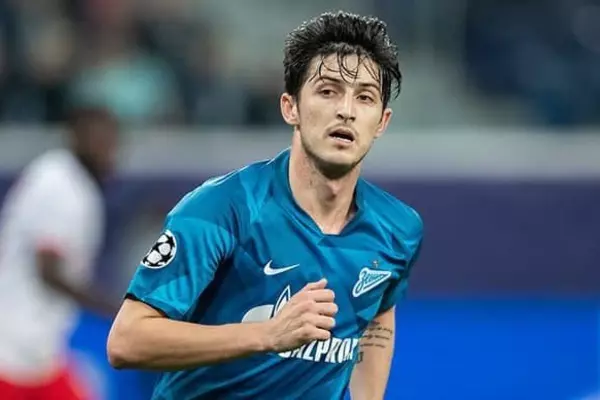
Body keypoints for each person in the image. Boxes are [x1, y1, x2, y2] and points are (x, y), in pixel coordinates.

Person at [107, 11, 423, 400]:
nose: (347, 110)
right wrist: (267, 334)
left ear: (382, 122)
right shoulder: (222, 208)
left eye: (365, 97)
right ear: (291, 107)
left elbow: (379, 313)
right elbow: (126, 340)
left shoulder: (398, 228)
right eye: (328, 91)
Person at [0, 106, 119, 400]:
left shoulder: (67, 180)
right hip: (14, 345)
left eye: (112, 141)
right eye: (99, 139)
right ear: (76, 136)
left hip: (37, 350)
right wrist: (115, 308)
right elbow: (49, 271)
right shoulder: (60, 184)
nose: (107, 150)